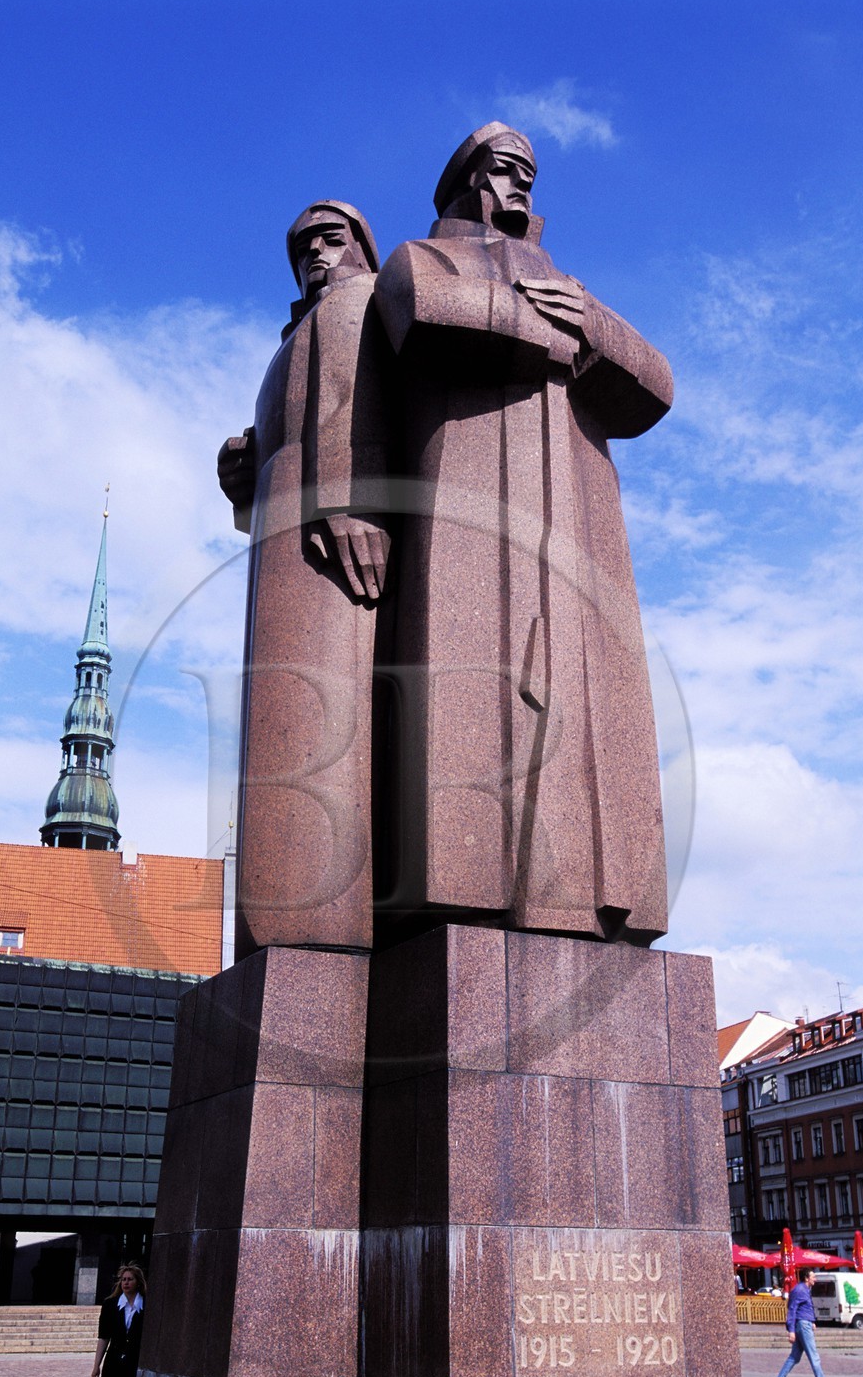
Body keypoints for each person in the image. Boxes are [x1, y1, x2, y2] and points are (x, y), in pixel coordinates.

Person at [372, 122, 673, 942]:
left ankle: (587, 897)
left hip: (573, 519)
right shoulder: (419, 257)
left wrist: (591, 326)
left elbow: (657, 383)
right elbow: (426, 309)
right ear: (469, 182)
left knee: (580, 701)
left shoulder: (567, 283)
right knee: (473, 686)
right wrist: (553, 335)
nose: (521, 192)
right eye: (507, 173)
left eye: (530, 179)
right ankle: (470, 891)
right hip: (470, 516)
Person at [218, 201, 394, 957]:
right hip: (283, 532)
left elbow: (370, 412)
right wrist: (243, 476)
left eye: (331, 238)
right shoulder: (292, 339)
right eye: (302, 248)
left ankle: (321, 922)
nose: (315, 255)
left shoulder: (363, 303)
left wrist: (350, 502)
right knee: (285, 723)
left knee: (326, 715)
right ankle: (289, 923)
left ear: (360, 244)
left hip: (330, 534)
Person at [89, 1262, 146, 1377]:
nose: (126, 1283)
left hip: (136, 1362)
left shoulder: (147, 1305)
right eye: (123, 1279)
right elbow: (104, 1337)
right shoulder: (110, 1304)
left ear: (138, 1282)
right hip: (114, 1362)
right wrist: (96, 1366)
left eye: (130, 1279)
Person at [771, 1268, 843, 1377]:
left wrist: (812, 1321)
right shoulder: (799, 1290)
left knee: (794, 1357)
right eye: (813, 1276)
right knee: (814, 1357)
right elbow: (792, 1310)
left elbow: (804, 1308)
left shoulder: (805, 1290)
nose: (815, 1279)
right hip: (803, 1326)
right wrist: (791, 1330)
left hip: (805, 1323)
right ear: (806, 1278)